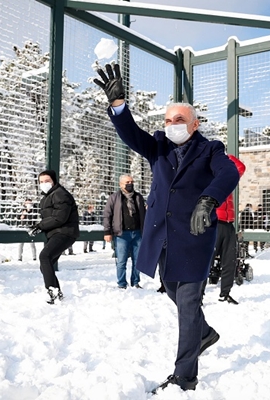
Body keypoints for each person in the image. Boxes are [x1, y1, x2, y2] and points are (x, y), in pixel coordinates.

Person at [93, 63, 239, 392]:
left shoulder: (210, 149)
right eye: (168, 120)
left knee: (188, 303)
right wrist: (119, 106)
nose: (172, 125)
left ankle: (184, 377)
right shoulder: (158, 145)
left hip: (194, 237)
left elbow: (228, 174)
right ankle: (203, 333)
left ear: (195, 123)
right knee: (173, 292)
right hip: (161, 238)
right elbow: (131, 135)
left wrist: (209, 200)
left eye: (180, 120)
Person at [29, 170, 79, 304]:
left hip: (65, 232)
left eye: (47, 181)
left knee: (44, 257)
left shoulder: (60, 194)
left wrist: (40, 225)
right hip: (56, 233)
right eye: (41, 182)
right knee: (46, 264)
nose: (44, 184)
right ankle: (57, 292)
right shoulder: (47, 197)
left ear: (54, 181)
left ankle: (54, 292)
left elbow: (59, 218)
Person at [202, 154, 245, 305]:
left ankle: (225, 293)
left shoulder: (229, 177)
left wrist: (225, 156)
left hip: (229, 223)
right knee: (207, 261)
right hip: (213, 222)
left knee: (230, 260)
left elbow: (241, 167)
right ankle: (199, 295)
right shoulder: (206, 175)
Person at [103, 175, 146, 289]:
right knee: (121, 261)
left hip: (137, 233)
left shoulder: (138, 197)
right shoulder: (114, 198)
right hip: (121, 234)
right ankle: (122, 283)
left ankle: (135, 282)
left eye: (132, 181)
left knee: (138, 260)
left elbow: (144, 215)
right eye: (127, 182)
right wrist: (107, 232)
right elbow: (107, 215)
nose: (130, 184)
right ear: (121, 184)